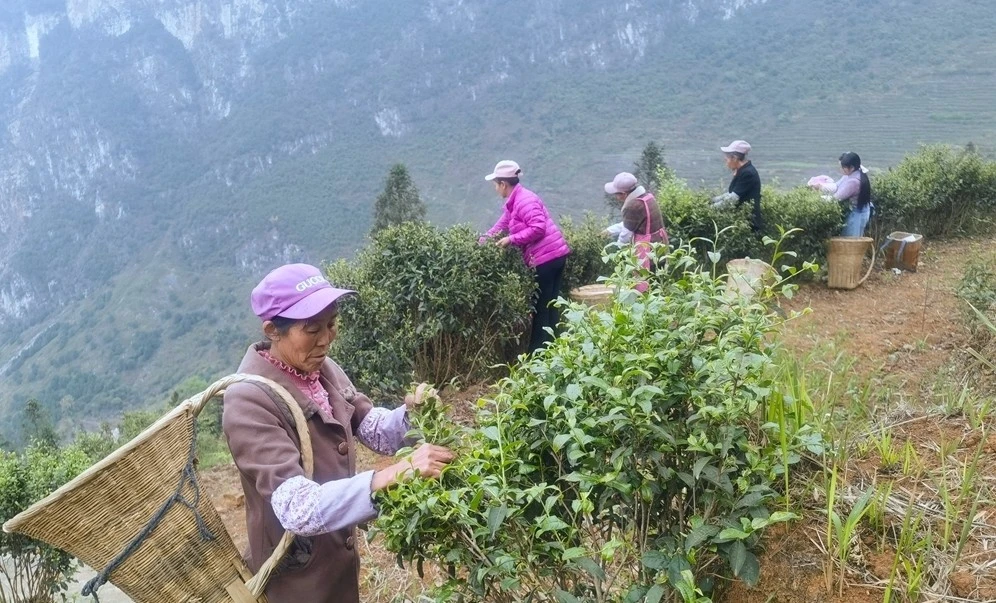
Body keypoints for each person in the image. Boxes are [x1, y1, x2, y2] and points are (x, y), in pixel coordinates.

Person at [222, 263, 454, 603]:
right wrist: (390, 476)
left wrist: (411, 416)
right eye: (312, 328)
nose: (326, 339)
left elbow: (370, 427)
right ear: (273, 330)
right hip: (297, 580)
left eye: (332, 324)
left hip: (337, 567)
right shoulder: (248, 400)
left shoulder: (322, 368)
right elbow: (297, 507)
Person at [480, 160, 571, 352]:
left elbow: (538, 228)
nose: (496, 189)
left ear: (503, 184)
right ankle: (556, 348)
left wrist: (511, 240)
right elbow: (501, 225)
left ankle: (538, 354)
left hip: (546, 259)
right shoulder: (516, 201)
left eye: (496, 185)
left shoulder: (524, 201)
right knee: (551, 303)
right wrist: (482, 241)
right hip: (555, 255)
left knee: (541, 308)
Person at [602, 172, 668, 291]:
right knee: (657, 281)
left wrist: (617, 252)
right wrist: (610, 230)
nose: (616, 198)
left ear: (623, 194)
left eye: (617, 194)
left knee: (644, 283)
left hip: (647, 250)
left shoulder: (633, 206)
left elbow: (626, 234)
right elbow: (634, 222)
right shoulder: (647, 197)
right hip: (659, 246)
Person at [810, 152, 872, 237]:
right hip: (860, 210)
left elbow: (836, 198)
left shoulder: (853, 182)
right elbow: (837, 186)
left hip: (857, 214)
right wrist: (821, 187)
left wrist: (816, 199)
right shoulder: (854, 172)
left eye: (843, 167)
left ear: (852, 168)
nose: (840, 169)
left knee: (851, 241)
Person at [712, 140, 763, 232]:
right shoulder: (743, 171)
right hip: (743, 223)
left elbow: (733, 198)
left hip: (749, 225)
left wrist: (711, 209)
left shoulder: (748, 173)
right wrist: (714, 200)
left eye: (727, 158)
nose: (726, 161)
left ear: (734, 158)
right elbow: (732, 193)